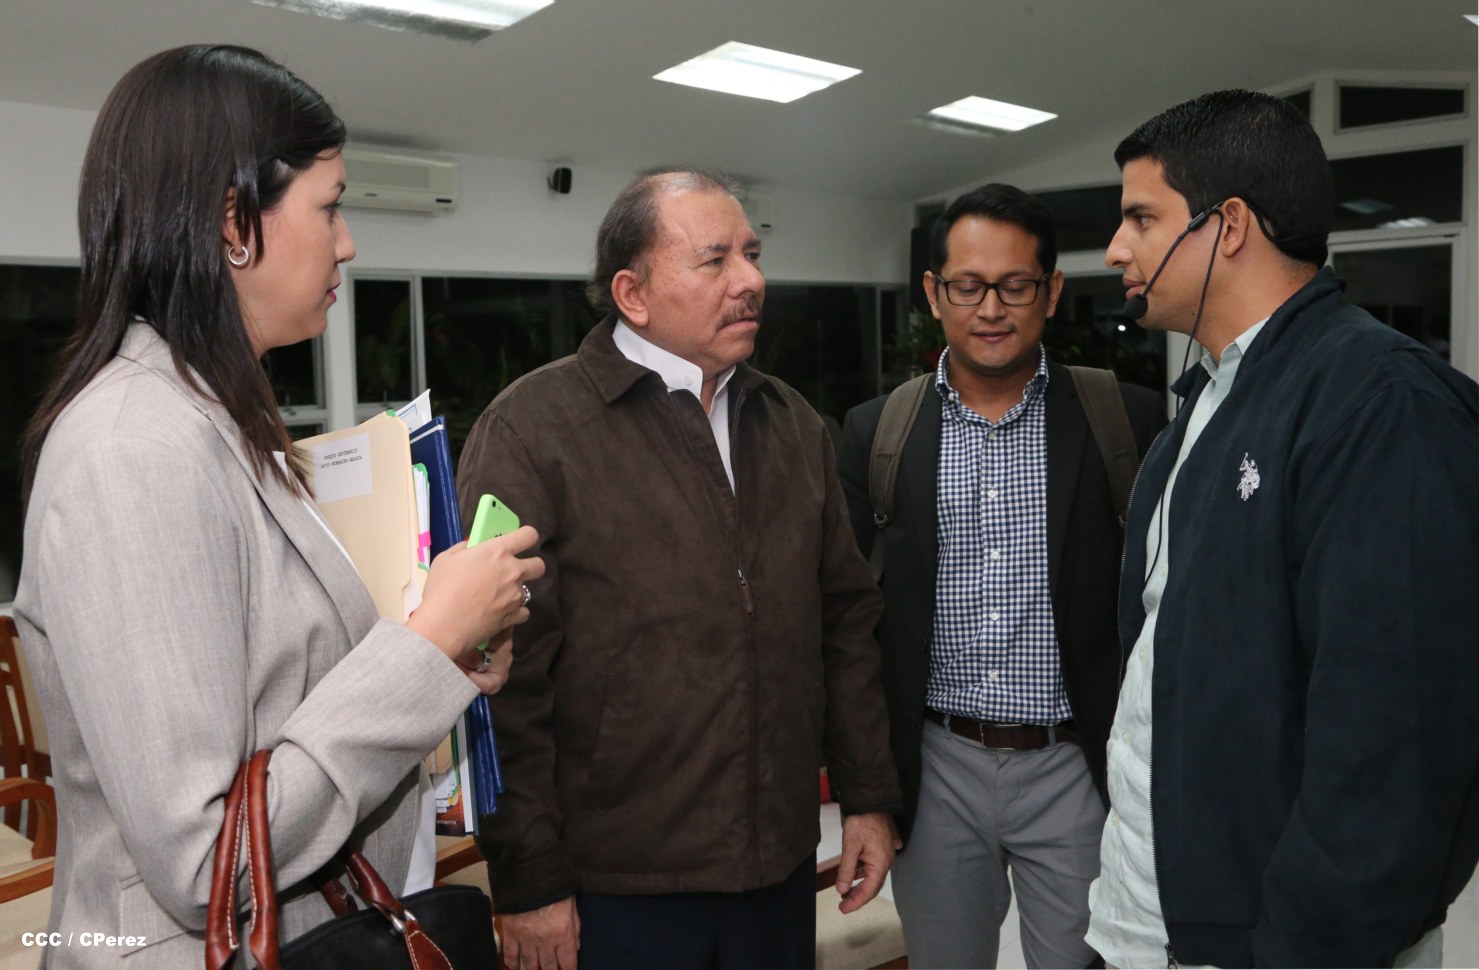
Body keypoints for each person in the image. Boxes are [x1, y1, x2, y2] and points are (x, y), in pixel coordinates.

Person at [13, 45, 544, 968]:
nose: (347, 242)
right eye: (329, 206)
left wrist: (444, 650)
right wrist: (424, 649)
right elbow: (205, 861)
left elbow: (276, 700)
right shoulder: (132, 447)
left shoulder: (214, 418)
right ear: (233, 222)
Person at [456, 170, 902, 970]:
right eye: (714, 259)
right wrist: (528, 877)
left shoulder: (792, 423)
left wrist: (867, 797)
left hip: (776, 865)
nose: (750, 280)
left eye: (752, 254)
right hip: (616, 885)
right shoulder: (533, 429)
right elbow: (501, 681)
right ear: (632, 294)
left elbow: (844, 624)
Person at [1085, 89, 1479, 969]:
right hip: (1164, 916)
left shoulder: (1380, 404)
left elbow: (1396, 737)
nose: (1115, 248)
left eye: (1141, 219)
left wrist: (1303, 945)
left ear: (1227, 225)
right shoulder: (1207, 401)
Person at [837, 183, 1165, 969]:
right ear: (933, 293)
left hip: (1074, 764)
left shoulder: (1126, 419)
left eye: (1015, 285)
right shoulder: (877, 432)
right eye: (967, 286)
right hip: (936, 767)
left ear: (1050, 291)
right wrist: (866, 793)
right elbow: (848, 625)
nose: (990, 309)